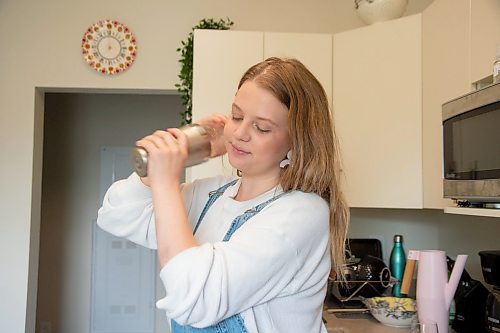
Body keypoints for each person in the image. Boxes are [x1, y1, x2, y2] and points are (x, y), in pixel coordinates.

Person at [97, 57, 349, 333]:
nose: (240, 133)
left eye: (261, 127)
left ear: (297, 140)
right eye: (237, 116)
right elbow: (117, 215)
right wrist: (173, 161)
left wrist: (167, 182)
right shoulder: (213, 193)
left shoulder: (302, 213)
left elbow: (195, 298)